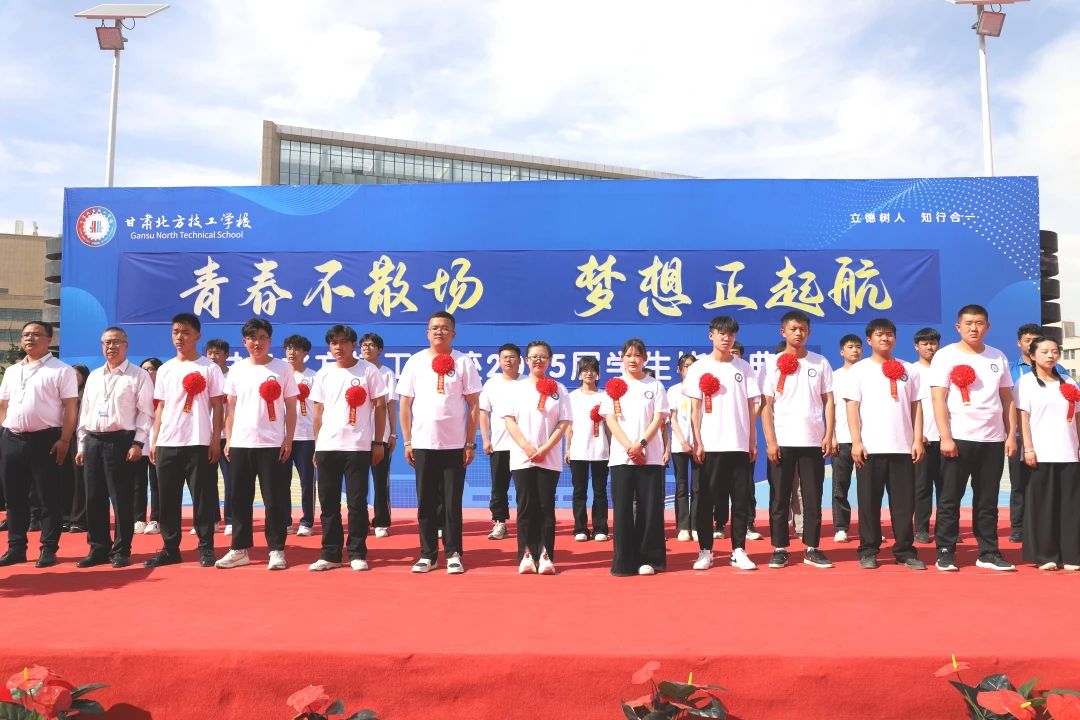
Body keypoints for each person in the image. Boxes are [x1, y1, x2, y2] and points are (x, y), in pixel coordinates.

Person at [930, 304, 1016, 572]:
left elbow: (1007, 399)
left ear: (987, 326)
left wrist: (1010, 435)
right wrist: (945, 436)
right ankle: (945, 550)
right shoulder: (945, 356)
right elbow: (938, 398)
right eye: (968, 323)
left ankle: (988, 551)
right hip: (959, 438)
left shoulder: (997, 356)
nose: (974, 328)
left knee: (988, 499)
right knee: (950, 498)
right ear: (958, 327)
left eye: (979, 323)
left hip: (992, 439)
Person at [397, 311, 482, 575]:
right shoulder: (415, 362)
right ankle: (427, 554)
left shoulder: (464, 362)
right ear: (427, 332)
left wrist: (470, 443)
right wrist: (408, 441)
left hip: (454, 444)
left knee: (452, 502)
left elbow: (474, 404)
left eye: (444, 328)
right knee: (426, 502)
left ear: (453, 333)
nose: (439, 332)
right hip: (423, 442)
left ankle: (454, 553)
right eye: (434, 328)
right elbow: (405, 404)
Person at [216, 318, 298, 571]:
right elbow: (231, 408)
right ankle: (239, 549)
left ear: (270, 340)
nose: (257, 343)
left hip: (272, 444)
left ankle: (276, 549)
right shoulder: (237, 370)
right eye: (252, 338)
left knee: (274, 500)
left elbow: (291, 407)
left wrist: (288, 438)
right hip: (241, 443)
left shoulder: (282, 369)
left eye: (262, 338)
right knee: (239, 498)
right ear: (244, 342)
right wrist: (229, 439)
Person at [844, 318, 926, 570]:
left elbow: (916, 406)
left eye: (889, 334)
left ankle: (905, 550)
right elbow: (852, 407)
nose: (885, 338)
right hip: (870, 449)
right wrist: (856, 442)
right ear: (869, 340)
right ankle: (868, 550)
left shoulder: (908, 369)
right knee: (869, 503)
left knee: (904, 504)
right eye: (880, 335)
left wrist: (917, 439)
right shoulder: (858, 370)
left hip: (902, 448)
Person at [682, 316, 760, 571]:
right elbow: (694, 409)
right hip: (710, 445)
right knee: (706, 500)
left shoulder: (744, 368)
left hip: (738, 444)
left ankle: (738, 550)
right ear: (711, 335)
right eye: (721, 333)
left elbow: (751, 407)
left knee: (740, 500)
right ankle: (706, 550)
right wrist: (698, 441)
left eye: (731, 334)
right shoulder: (699, 367)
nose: (726, 338)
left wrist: (752, 440)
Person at [308, 325, 387, 572]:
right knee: (328, 504)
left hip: (357, 446)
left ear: (353, 345)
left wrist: (378, 442)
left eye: (343, 342)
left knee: (356, 503)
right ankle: (330, 553)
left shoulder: (368, 371)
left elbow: (380, 407)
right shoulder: (324, 373)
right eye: (334, 343)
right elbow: (318, 412)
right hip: (327, 446)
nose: (338, 347)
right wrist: (317, 445)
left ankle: (356, 552)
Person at [73, 327, 154, 568]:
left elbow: (146, 413)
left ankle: (121, 550)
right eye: (107, 343)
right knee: (93, 498)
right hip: (93, 440)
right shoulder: (95, 376)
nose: (111, 347)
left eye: (116, 342)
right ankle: (98, 548)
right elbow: (85, 412)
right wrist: (81, 445)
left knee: (121, 498)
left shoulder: (138, 375)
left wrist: (138, 442)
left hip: (121, 441)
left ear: (126, 345)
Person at [147, 313, 224, 568]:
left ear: (197, 336)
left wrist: (215, 440)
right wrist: (155, 440)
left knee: (203, 498)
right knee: (167, 499)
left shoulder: (209, 368)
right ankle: (170, 548)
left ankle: (206, 548)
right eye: (175, 332)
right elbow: (160, 407)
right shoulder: (166, 369)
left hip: (198, 442)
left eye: (186, 332)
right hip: (168, 441)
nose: (179, 337)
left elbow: (218, 406)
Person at [0, 321, 78, 567]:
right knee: (14, 498)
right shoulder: (13, 371)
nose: (29, 338)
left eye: (35, 334)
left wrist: (65, 439)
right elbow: (3, 405)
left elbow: (70, 407)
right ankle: (16, 547)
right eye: (25, 335)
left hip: (46, 440)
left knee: (48, 497)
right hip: (12, 439)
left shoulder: (61, 370)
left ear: (48, 339)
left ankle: (48, 548)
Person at [761, 310, 835, 569]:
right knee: (779, 497)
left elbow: (829, 401)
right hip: (782, 441)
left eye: (803, 329)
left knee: (813, 496)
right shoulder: (771, 363)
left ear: (809, 332)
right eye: (793, 329)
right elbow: (766, 405)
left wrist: (829, 434)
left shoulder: (820, 362)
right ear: (783, 332)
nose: (798, 333)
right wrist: (771, 441)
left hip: (812, 441)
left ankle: (812, 547)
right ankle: (779, 547)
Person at [602, 338, 669, 576]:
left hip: (650, 456)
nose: (633, 359)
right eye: (628, 355)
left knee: (649, 509)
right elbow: (610, 419)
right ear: (621, 358)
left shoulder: (655, 386)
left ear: (645, 359)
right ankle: (624, 562)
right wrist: (629, 447)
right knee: (622, 510)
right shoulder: (614, 385)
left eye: (637, 355)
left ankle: (649, 559)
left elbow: (658, 419)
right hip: (622, 457)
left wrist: (641, 444)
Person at [503, 341, 571, 574]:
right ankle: (526, 555)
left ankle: (545, 555)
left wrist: (546, 448)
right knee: (525, 506)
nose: (538, 360)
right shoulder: (516, 388)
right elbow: (510, 420)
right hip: (522, 457)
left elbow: (564, 422)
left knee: (545, 507)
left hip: (549, 458)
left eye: (542, 357)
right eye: (533, 357)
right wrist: (527, 447)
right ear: (526, 360)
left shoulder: (559, 389)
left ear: (550, 360)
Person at [1016, 336, 1080, 571]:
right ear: (1033, 356)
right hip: (1040, 453)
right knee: (1043, 506)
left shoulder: (1068, 381)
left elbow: (1077, 416)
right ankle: (1046, 555)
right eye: (1044, 351)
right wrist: (1028, 448)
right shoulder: (1025, 382)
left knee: (1071, 507)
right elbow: (1023, 417)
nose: (1051, 356)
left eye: (1054, 351)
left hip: (1069, 452)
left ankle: (1072, 555)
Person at [1008, 323, 1069, 544]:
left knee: (1049, 487)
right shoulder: (1012, 371)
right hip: (1019, 437)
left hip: (1053, 440)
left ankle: (1051, 527)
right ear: (1020, 343)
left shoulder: (1062, 373)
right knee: (1019, 484)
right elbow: (1011, 406)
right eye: (1027, 341)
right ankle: (1018, 527)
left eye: (1036, 340)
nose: (1031, 344)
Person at [564, 355, 610, 542]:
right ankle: (580, 528)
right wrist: (568, 448)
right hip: (578, 450)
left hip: (601, 449)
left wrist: (612, 447)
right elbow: (568, 426)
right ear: (579, 373)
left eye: (592, 370)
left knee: (600, 491)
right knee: (579, 491)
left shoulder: (605, 396)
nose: (589, 373)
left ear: (597, 373)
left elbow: (610, 426)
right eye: (585, 370)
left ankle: (600, 528)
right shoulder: (572, 397)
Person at [479, 343, 522, 541]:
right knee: (499, 487)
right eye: (504, 357)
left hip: (524, 446)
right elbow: (483, 412)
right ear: (499, 361)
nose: (508, 360)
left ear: (520, 360)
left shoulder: (527, 383)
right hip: (500, 444)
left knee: (525, 488)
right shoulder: (492, 384)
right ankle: (499, 522)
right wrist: (486, 439)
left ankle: (526, 523)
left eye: (512, 357)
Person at [360, 333, 398, 538]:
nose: (367, 348)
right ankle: (360, 521)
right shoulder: (355, 371)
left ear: (380, 350)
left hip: (380, 436)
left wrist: (393, 433)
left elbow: (390, 406)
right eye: (364, 345)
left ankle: (381, 521)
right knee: (358, 483)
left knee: (381, 481)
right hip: (357, 436)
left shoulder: (386, 373)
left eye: (371, 345)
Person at [284, 334, 317, 537]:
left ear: (305, 353)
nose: (291, 352)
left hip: (306, 437)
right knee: (282, 482)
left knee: (307, 482)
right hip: (282, 437)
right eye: (288, 348)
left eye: (296, 348)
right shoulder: (280, 375)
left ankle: (307, 522)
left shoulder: (314, 377)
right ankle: (285, 521)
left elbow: (321, 409)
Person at [830, 335, 863, 543]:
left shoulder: (868, 373)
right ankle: (841, 527)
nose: (855, 350)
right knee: (839, 486)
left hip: (865, 441)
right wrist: (832, 436)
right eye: (850, 347)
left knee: (867, 488)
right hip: (841, 439)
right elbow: (829, 408)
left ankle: (868, 527)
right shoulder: (834, 377)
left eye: (858, 347)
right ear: (842, 351)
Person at [912, 328, 942, 544]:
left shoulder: (947, 369)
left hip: (946, 439)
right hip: (923, 439)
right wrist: (917, 434)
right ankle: (921, 528)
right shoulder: (911, 371)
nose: (929, 347)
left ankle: (945, 527)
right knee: (922, 487)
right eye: (924, 344)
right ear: (917, 347)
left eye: (932, 343)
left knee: (947, 488)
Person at [731, 341, 762, 541]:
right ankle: (719, 524)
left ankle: (749, 525)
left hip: (744, 439)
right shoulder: (712, 371)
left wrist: (745, 422)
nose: (732, 354)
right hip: (720, 441)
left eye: (736, 352)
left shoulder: (747, 372)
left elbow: (757, 404)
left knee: (746, 487)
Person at [667, 353, 698, 542]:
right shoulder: (673, 390)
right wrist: (683, 442)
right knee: (681, 486)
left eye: (692, 365)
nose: (689, 369)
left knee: (698, 487)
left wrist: (697, 442)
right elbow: (673, 419)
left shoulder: (702, 389)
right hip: (679, 446)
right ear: (679, 369)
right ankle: (683, 526)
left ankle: (696, 525)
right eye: (686, 366)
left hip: (698, 446)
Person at [204, 339, 232, 535]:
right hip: (206, 436)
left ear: (226, 356)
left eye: (217, 353)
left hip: (228, 437)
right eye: (210, 353)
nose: (213, 357)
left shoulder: (234, 376)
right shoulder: (202, 376)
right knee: (207, 480)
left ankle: (231, 519)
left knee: (231, 480)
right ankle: (211, 519)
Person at [134, 357, 163, 535]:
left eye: (151, 369)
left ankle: (156, 519)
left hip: (158, 441)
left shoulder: (163, 391)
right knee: (138, 482)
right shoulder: (136, 389)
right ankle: (138, 518)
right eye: (143, 369)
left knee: (156, 482)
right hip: (139, 441)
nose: (147, 372)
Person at [61, 364, 90, 534]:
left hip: (79, 438)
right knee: (65, 479)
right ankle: (65, 517)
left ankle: (78, 519)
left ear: (84, 377)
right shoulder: (62, 392)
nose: (72, 378)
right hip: (62, 437)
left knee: (79, 480)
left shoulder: (86, 394)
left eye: (76, 375)